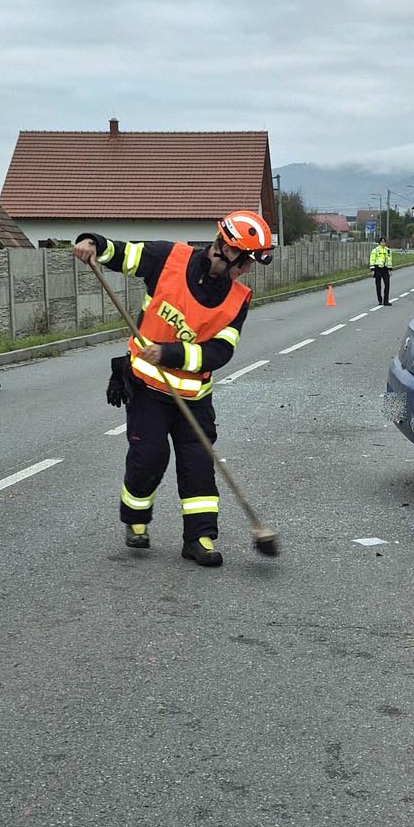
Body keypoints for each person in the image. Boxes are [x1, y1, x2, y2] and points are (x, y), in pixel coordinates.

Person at [73, 211, 273, 567]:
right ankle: (135, 518)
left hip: (193, 398)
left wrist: (170, 352)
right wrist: (94, 243)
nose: (245, 272)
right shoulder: (170, 257)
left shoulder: (237, 300)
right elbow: (124, 254)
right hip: (146, 388)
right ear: (223, 251)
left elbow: (219, 351)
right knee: (149, 458)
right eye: (244, 264)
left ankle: (200, 538)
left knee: (198, 465)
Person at [369, 236, 393, 305]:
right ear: (379, 243)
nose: (383, 243)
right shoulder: (375, 250)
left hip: (385, 269)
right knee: (378, 286)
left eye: (384, 242)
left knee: (387, 285)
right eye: (381, 242)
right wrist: (372, 270)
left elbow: (389, 260)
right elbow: (372, 260)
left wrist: (390, 270)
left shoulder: (388, 250)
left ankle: (386, 301)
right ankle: (380, 300)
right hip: (377, 269)